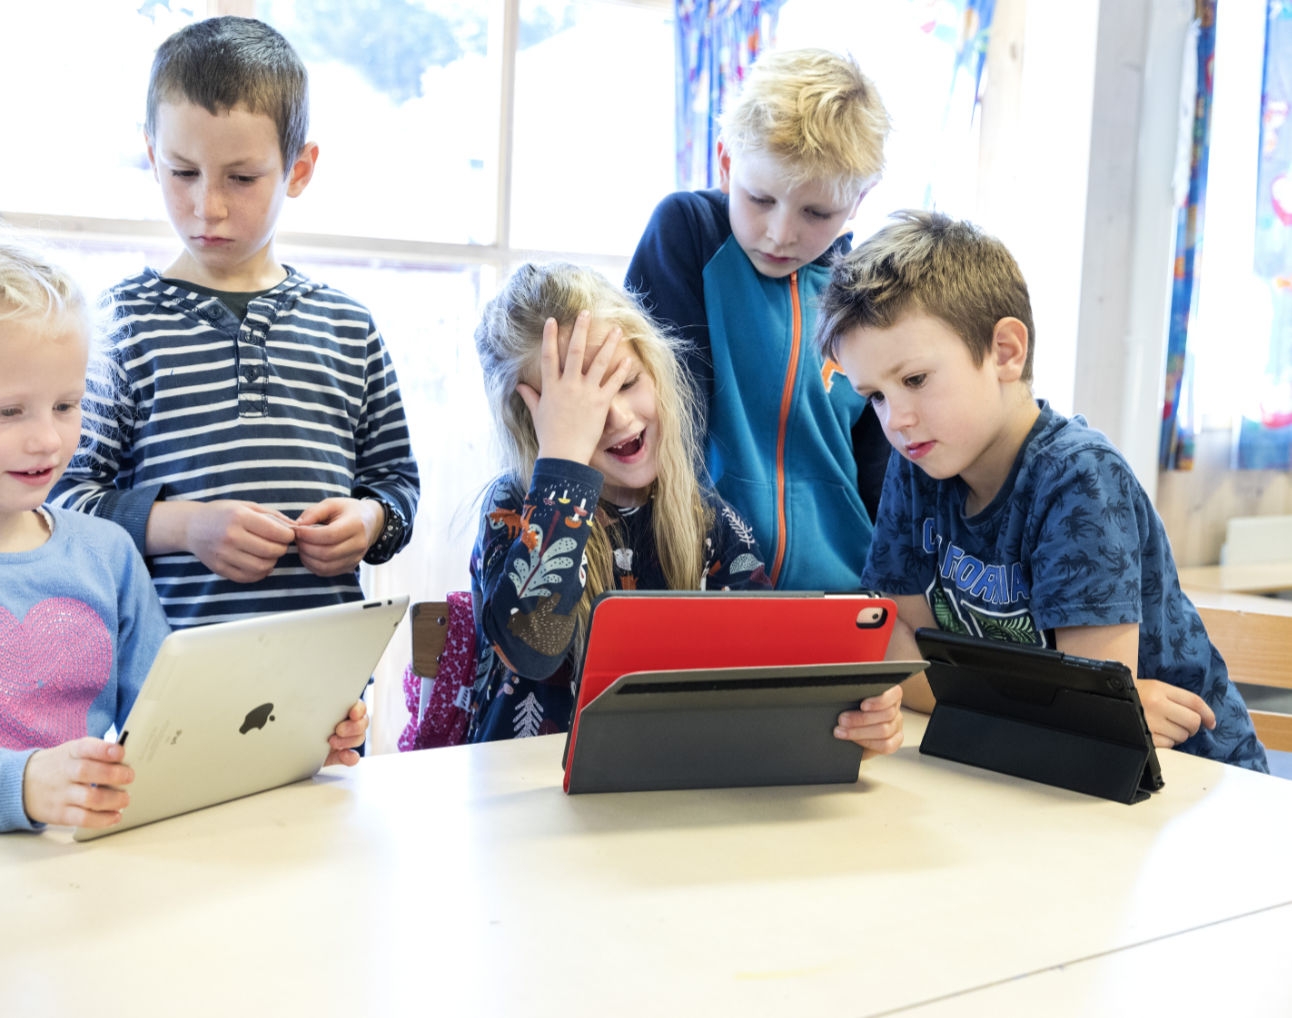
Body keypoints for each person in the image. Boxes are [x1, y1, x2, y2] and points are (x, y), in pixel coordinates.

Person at [0, 238, 372, 833]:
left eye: (66, 406)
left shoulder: (106, 551)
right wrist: (20, 785)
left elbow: (171, 731)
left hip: (81, 871)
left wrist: (288, 740)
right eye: (9, 412)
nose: (48, 439)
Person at [817, 209, 1268, 771]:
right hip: (1033, 764)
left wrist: (1053, 707)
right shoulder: (918, 465)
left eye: (914, 380)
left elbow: (1093, 715)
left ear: (1006, 352)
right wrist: (1057, 709)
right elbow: (895, 646)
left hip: (1188, 778)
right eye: (876, 396)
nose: (896, 420)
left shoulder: (1078, 477)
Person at [49, 16, 420, 629]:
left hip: (328, 675)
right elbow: (61, 503)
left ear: (299, 170)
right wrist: (184, 526)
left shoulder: (350, 329)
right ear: (152, 156)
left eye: (242, 178)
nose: (208, 207)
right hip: (168, 675)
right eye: (183, 172)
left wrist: (370, 519)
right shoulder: (118, 327)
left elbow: (395, 483)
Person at [467, 262, 905, 752]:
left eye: (626, 383)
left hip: (659, 778)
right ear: (534, 426)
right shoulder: (514, 509)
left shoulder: (707, 520)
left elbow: (765, 667)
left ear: (655, 370)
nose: (619, 418)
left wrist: (851, 714)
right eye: (580, 410)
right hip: (524, 782)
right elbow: (535, 648)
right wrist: (564, 464)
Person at [625, 48, 892, 593]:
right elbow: (669, 424)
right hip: (705, 584)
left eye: (816, 213)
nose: (780, 234)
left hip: (841, 592)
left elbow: (881, 462)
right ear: (726, 164)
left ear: (857, 201)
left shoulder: (868, 291)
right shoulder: (687, 234)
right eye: (760, 199)